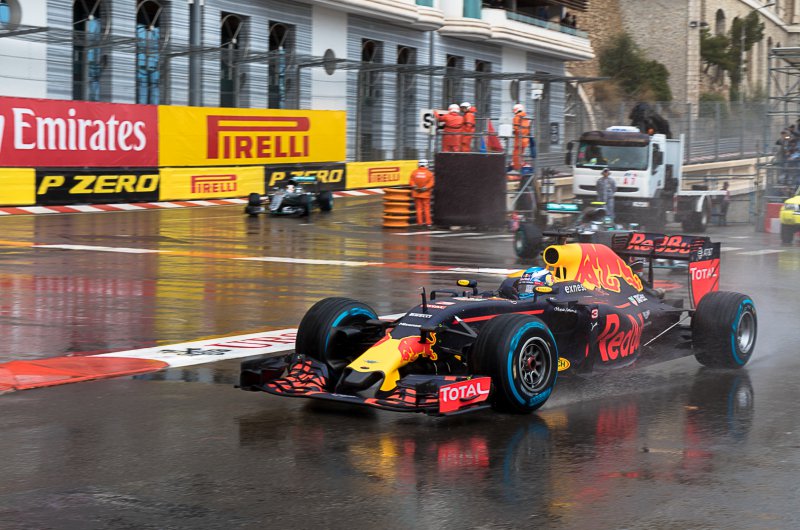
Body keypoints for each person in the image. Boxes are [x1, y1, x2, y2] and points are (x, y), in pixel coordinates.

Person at [410, 159, 435, 227]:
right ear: (426, 165)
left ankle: (419, 223)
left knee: (419, 209)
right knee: (426, 209)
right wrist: (425, 188)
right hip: (425, 194)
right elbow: (431, 183)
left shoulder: (414, 172)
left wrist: (415, 187)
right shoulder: (429, 173)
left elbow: (411, 182)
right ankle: (428, 223)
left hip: (416, 193)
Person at [512, 103, 531, 170]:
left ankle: (517, 169)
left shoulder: (516, 117)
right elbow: (527, 129)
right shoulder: (526, 118)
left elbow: (516, 129)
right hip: (525, 140)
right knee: (521, 155)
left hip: (518, 140)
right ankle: (520, 166)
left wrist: (514, 131)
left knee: (516, 155)